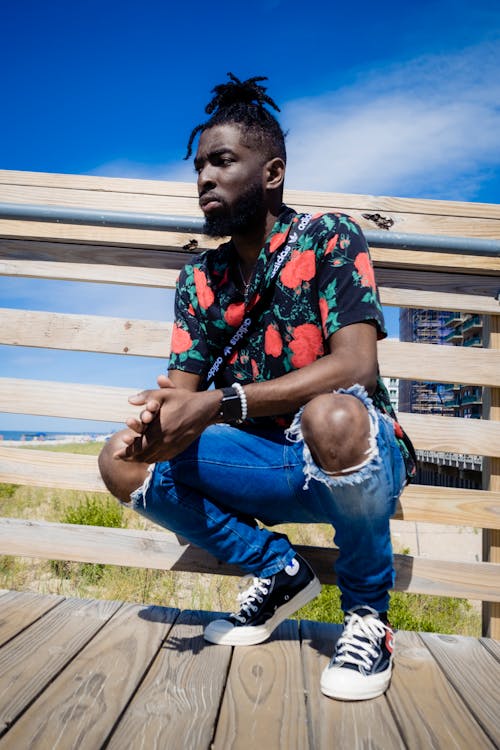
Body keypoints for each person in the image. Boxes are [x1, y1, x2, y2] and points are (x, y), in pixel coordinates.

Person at [98, 73, 416, 702]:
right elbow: (184, 396)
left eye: (222, 162)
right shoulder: (201, 279)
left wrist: (223, 402)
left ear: (271, 173)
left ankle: (367, 618)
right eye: (198, 169)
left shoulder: (329, 238)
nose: (203, 180)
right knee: (120, 460)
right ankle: (279, 570)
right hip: (264, 466)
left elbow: (356, 367)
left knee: (332, 416)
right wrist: (159, 418)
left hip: (351, 457)